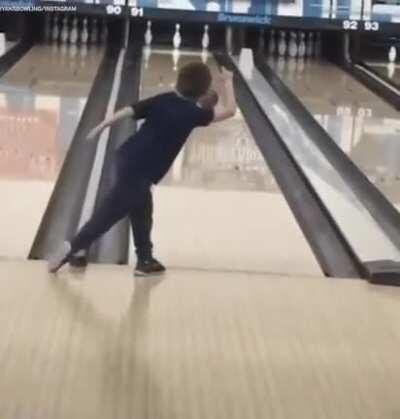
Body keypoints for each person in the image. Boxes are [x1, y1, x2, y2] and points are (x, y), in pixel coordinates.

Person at [48, 62, 237, 276]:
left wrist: (103, 125)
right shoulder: (194, 114)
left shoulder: (164, 99)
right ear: (202, 91)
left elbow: (129, 110)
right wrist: (228, 81)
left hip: (126, 157)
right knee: (108, 215)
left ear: (179, 82)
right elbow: (230, 110)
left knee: (142, 212)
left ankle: (145, 260)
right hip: (139, 172)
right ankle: (72, 248)